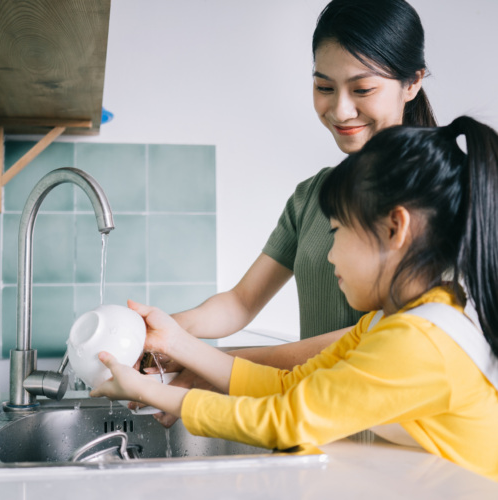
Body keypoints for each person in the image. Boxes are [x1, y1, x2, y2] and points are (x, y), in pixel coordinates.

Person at [92, 116, 498, 481]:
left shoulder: (421, 343)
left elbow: (286, 420)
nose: (329, 253)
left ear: (395, 228)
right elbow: (290, 387)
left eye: (337, 231)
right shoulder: (392, 323)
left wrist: (151, 392)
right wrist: (177, 342)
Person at [152, 0, 437, 417]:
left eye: (362, 89)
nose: (340, 110)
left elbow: (380, 340)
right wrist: (160, 330)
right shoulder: (313, 195)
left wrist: (207, 362)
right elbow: (240, 302)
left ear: (412, 83)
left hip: (401, 445)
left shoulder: (440, 196)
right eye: (324, 87)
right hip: (317, 430)